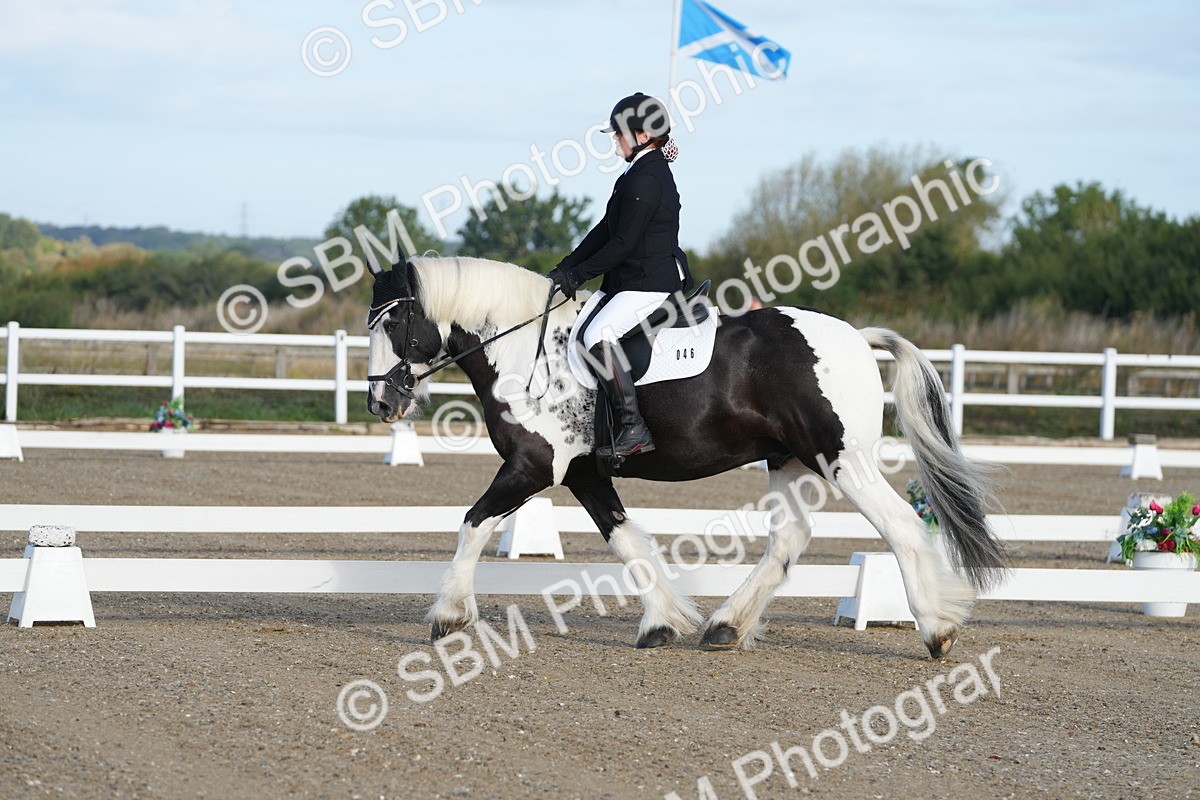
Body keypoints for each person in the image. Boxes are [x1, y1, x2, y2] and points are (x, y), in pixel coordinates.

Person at [547, 92, 693, 459]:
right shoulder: (637, 172)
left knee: (597, 335)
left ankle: (633, 428)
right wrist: (566, 267)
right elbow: (604, 231)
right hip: (629, 281)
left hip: (649, 283)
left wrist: (578, 277)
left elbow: (623, 244)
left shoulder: (647, 178)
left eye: (618, 134)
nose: (614, 141)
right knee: (578, 329)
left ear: (642, 136)